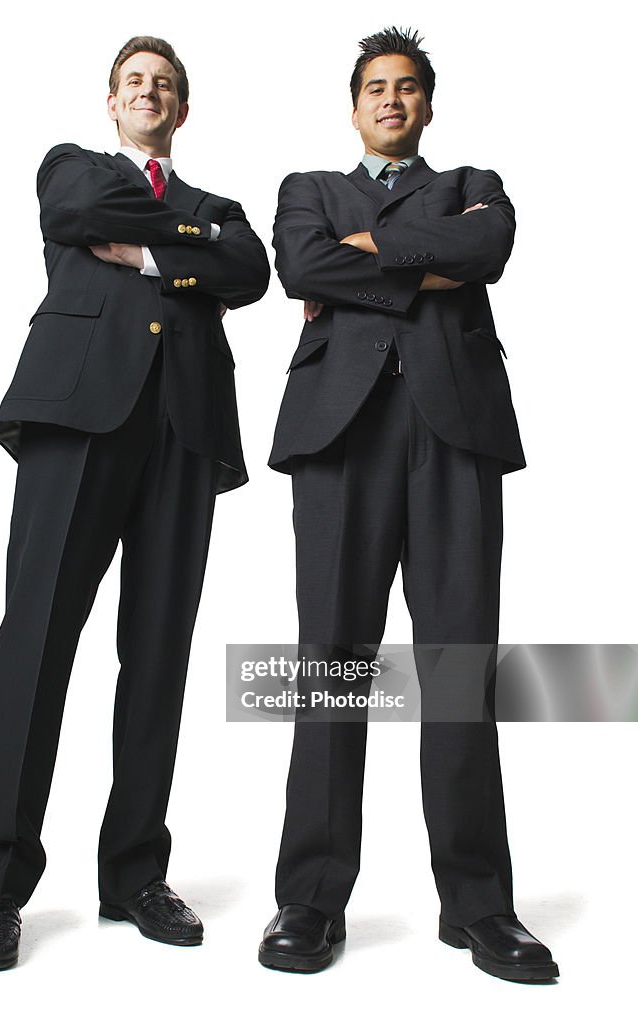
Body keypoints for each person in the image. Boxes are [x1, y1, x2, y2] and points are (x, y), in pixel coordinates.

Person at [0, 34, 269, 971]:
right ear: (112, 100)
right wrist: (188, 252)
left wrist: (145, 253)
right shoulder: (74, 167)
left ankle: (133, 872)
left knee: (160, 653)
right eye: (135, 80)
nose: (149, 91)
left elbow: (246, 269)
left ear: (182, 109)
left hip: (184, 429)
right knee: (37, 637)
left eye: (164, 84)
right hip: (78, 415)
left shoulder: (222, 207)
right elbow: (77, 209)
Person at [258, 26, 558, 982]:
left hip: (453, 430)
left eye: (408, 88)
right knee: (332, 666)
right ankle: (309, 901)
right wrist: (425, 268)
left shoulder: (474, 180)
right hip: (339, 438)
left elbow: (489, 247)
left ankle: (478, 906)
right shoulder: (309, 191)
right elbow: (303, 268)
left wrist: (372, 255)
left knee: (458, 666)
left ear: (427, 104)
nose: (391, 100)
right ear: (354, 105)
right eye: (376, 88)